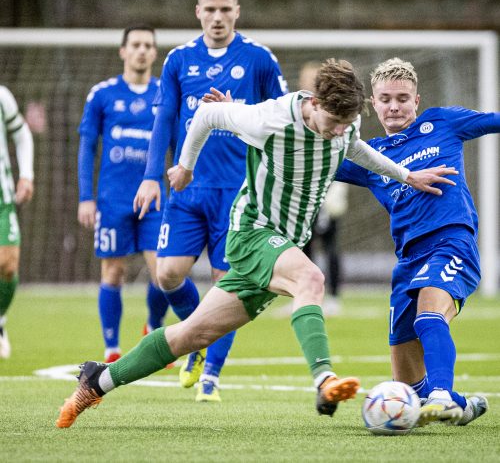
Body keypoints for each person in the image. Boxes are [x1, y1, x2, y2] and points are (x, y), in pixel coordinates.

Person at [56, 58, 458, 428]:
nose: (339, 129)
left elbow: (354, 147)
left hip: (282, 242)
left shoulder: (345, 121)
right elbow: (208, 114)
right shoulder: (271, 118)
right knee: (311, 280)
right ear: (315, 102)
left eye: (346, 122)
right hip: (254, 232)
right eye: (333, 120)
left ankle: (97, 380)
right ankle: (324, 379)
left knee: (191, 335)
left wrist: (406, 176)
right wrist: (185, 165)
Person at [133, 0, 288, 402]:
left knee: (226, 284)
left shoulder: (258, 59)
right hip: (186, 187)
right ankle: (195, 341)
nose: (217, 17)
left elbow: (284, 114)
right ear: (197, 11)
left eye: (225, 10)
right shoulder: (179, 59)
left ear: (236, 11)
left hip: (239, 194)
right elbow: (164, 120)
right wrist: (151, 173)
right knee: (166, 274)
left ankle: (211, 379)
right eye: (210, 9)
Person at [335, 57, 498, 426]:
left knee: (430, 312)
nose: (395, 106)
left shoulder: (443, 121)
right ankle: (459, 404)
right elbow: (313, 156)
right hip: (408, 259)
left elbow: (493, 120)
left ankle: (443, 393)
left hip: (451, 242)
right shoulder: (369, 155)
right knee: (409, 384)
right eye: (386, 98)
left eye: (403, 98)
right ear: (373, 104)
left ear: (417, 100)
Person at [77, 25, 169, 364]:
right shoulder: (102, 94)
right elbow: (87, 146)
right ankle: (112, 349)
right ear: (123, 51)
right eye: (136, 45)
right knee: (113, 273)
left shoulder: (164, 94)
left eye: (148, 45)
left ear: (155, 52)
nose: (142, 50)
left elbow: (179, 143)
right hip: (113, 201)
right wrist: (86, 197)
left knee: (163, 273)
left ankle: (154, 327)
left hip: (155, 200)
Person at [299, 61, 348, 316]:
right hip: (303, 192)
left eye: (312, 79)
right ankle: (306, 295)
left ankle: (334, 296)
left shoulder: (334, 112)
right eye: (304, 79)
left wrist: (336, 190)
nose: (307, 84)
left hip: (327, 190)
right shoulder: (298, 112)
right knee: (303, 245)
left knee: (329, 243)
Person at [0, 85, 34, 359]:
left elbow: (22, 135)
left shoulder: (2, 96)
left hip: (2, 197)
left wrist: (26, 174)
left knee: (7, 264)